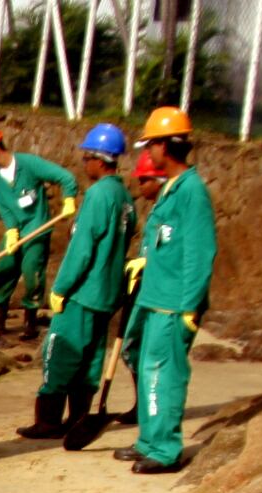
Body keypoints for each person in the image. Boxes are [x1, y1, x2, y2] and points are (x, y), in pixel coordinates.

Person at [17, 124, 136, 441]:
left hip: (84, 292)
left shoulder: (98, 195)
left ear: (99, 159)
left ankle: (49, 421)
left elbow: (82, 249)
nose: (84, 164)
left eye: (86, 158)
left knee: (60, 353)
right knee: (91, 359)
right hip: (107, 293)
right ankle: (78, 417)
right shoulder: (125, 196)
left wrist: (60, 288)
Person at [120, 106, 216, 474]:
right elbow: (166, 242)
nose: (148, 152)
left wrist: (190, 306)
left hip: (173, 304)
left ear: (165, 146)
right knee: (147, 371)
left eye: (151, 145)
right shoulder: (172, 189)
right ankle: (149, 439)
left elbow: (199, 252)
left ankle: (165, 450)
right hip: (155, 298)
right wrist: (145, 263)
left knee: (164, 375)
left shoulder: (192, 191)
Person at [0, 125, 78, 343]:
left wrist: (69, 199)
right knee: (4, 268)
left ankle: (30, 322)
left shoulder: (28, 164)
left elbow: (66, 178)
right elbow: (5, 207)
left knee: (32, 273)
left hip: (37, 228)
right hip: (16, 230)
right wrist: (11, 230)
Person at [113, 149, 170, 427]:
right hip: (143, 286)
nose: (140, 185)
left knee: (142, 349)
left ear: (159, 180)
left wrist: (148, 263)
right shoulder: (157, 208)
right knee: (133, 347)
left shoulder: (169, 208)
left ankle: (148, 408)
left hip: (159, 292)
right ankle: (142, 404)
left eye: (145, 180)